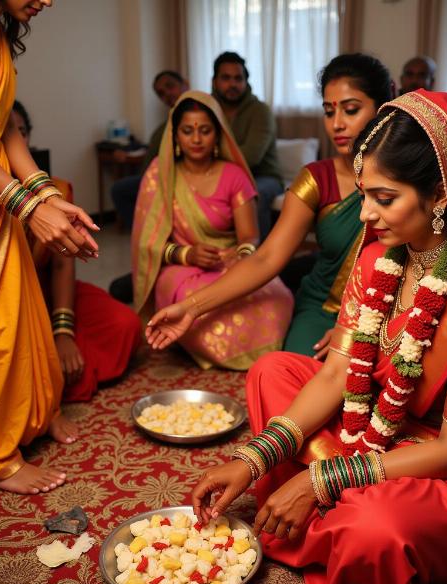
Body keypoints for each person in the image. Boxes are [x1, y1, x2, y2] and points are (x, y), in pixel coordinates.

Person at [190, 90, 447, 584]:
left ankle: (329, 517)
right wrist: (253, 459)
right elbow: (336, 375)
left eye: (385, 198)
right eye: (363, 195)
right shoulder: (380, 258)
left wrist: (322, 480)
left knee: (373, 528)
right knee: (272, 372)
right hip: (374, 430)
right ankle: (320, 511)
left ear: (441, 194)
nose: (366, 215)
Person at [0, 0, 100, 495]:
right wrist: (26, 206)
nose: (48, 0)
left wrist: (47, 195)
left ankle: (33, 413)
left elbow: (6, 128)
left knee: (17, 312)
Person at [145, 54, 393, 358]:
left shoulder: (409, 179)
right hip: (325, 309)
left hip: (390, 311)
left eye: (351, 110)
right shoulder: (317, 179)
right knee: (294, 377)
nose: (337, 124)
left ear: (383, 107)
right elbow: (265, 260)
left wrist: (355, 328)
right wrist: (190, 308)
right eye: (329, 112)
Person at [132, 90, 293, 369]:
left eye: (205, 130)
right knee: (189, 302)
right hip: (180, 268)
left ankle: (222, 348)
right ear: (175, 135)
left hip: (228, 262)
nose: (196, 139)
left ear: (217, 134)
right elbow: (146, 244)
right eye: (187, 131)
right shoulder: (160, 174)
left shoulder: (234, 175)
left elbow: (249, 236)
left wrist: (241, 255)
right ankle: (201, 342)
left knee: (277, 295)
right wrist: (187, 255)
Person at [12, 100, 141, 402]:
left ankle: (59, 374)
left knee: (126, 326)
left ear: (29, 137)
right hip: (7, 304)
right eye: (7, 134)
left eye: (21, 132)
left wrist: (63, 332)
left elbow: (61, 265)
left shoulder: (55, 190)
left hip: (50, 290)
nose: (15, 141)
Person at [212, 52, 283, 239]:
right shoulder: (208, 109)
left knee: (251, 194)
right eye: (226, 78)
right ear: (214, 82)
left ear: (246, 82)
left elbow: (250, 157)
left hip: (263, 177)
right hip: (220, 175)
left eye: (238, 78)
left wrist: (211, 156)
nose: (232, 84)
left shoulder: (260, 111)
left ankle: (260, 260)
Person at [111, 70, 189, 231]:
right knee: (122, 189)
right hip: (153, 176)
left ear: (185, 84)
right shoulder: (167, 122)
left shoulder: (195, 114)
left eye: (170, 86)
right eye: (161, 93)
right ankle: (145, 235)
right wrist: (130, 151)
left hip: (174, 176)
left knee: (121, 189)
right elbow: (154, 147)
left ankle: (147, 234)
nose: (167, 93)